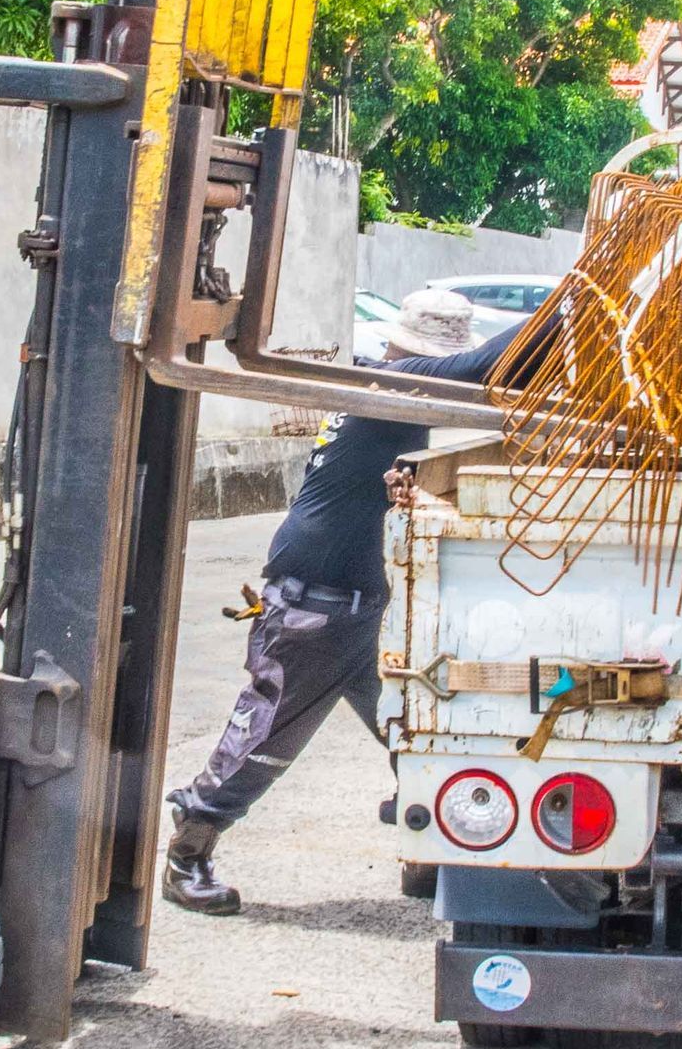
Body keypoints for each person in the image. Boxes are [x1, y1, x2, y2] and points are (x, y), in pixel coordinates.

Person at [162, 288, 525, 915]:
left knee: (413, 730)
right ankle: (187, 850)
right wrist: (573, 305)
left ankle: (432, 848)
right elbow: (485, 368)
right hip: (316, 603)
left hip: (361, 606)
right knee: (267, 734)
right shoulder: (391, 384)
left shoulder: (389, 389)